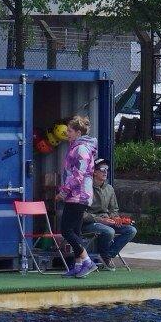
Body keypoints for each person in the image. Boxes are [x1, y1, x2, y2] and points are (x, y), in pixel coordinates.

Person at [57, 115, 98, 278]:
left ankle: (87, 261)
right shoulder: (77, 147)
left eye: (69, 131)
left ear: (78, 133)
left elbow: (78, 175)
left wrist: (63, 192)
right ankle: (78, 264)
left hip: (78, 195)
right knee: (75, 231)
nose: (67, 133)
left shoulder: (81, 149)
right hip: (78, 195)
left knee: (66, 230)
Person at [83, 161, 137, 270]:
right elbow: (81, 214)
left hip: (107, 221)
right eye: (102, 169)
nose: (105, 172)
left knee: (131, 230)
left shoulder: (109, 188)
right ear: (94, 172)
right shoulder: (86, 188)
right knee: (109, 231)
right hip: (89, 223)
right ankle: (105, 256)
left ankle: (107, 255)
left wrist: (116, 218)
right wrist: (100, 220)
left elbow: (114, 209)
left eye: (106, 169)